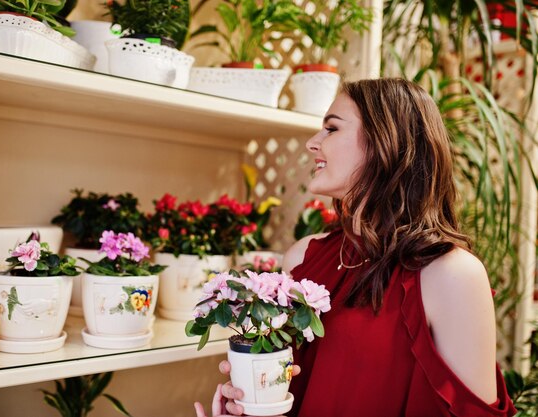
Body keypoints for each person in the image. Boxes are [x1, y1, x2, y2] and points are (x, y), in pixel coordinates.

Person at [194, 78, 517, 417]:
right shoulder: (303, 258)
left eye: (331, 129)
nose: (312, 143)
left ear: (385, 141)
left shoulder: (453, 274)